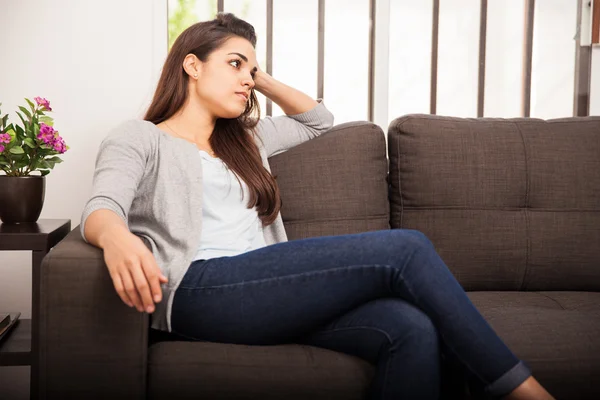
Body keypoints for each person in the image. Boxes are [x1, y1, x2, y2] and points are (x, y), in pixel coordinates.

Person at [81, 12, 554, 400]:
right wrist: (118, 238)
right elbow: (101, 207)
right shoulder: (142, 137)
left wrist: (256, 76)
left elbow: (318, 120)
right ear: (192, 65)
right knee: (405, 250)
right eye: (235, 64)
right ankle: (526, 392)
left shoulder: (248, 139)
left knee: (409, 328)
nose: (246, 78)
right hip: (197, 289)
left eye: (251, 69)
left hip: (261, 287)